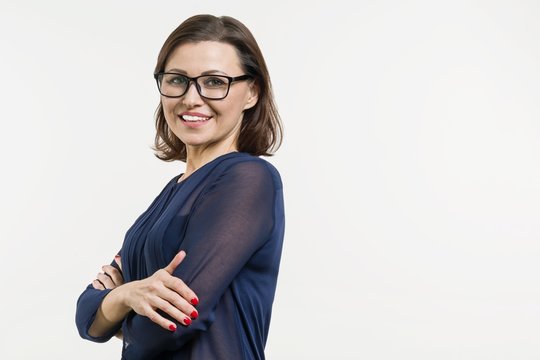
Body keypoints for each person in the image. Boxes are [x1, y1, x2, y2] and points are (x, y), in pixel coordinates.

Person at [75, 14, 285, 360]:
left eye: (215, 82)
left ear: (252, 92)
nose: (191, 98)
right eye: (177, 80)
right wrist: (126, 297)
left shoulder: (248, 179)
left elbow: (175, 322)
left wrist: (115, 311)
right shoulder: (170, 194)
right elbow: (85, 316)